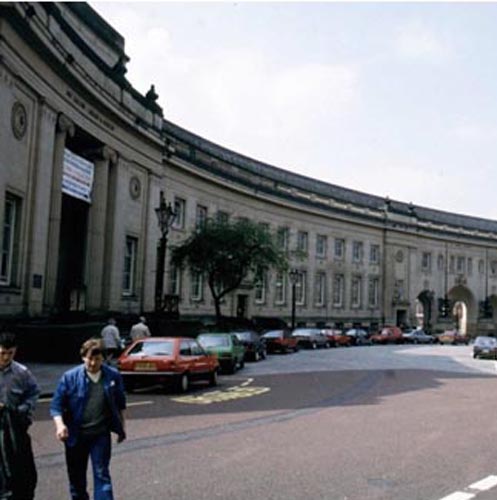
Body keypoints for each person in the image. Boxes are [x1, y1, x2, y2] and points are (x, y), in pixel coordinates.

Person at [50, 338, 127, 500]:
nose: (93, 363)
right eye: (89, 358)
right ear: (83, 357)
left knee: (102, 474)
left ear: (103, 359)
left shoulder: (112, 376)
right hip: (75, 436)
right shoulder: (69, 377)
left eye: (97, 359)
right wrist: (60, 425)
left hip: (100, 434)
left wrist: (122, 428)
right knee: (77, 478)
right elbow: (56, 406)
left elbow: (120, 404)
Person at [0, 331, 40, 500]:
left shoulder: (22, 373)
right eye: (2, 353)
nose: (6, 357)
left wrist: (22, 409)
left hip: (13, 429)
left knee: (17, 471)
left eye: (10, 353)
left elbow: (34, 392)